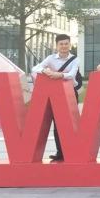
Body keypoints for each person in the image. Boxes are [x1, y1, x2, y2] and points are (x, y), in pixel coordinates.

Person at [30, 34, 81, 162]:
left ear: (70, 45)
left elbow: (71, 75)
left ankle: (74, 151)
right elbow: (35, 68)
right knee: (57, 124)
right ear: (57, 45)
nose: (64, 46)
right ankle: (60, 152)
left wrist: (58, 75)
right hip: (54, 94)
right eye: (61, 44)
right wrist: (46, 72)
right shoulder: (51, 58)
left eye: (66, 43)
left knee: (70, 123)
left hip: (70, 93)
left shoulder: (75, 59)